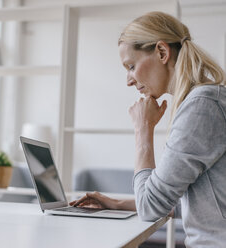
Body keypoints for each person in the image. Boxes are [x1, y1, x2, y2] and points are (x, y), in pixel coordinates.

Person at [70, 11, 226, 247]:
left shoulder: (202, 106)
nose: (129, 80)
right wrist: (119, 203)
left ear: (162, 52)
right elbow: (193, 201)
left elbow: (151, 208)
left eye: (131, 66)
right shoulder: (206, 100)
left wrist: (143, 129)